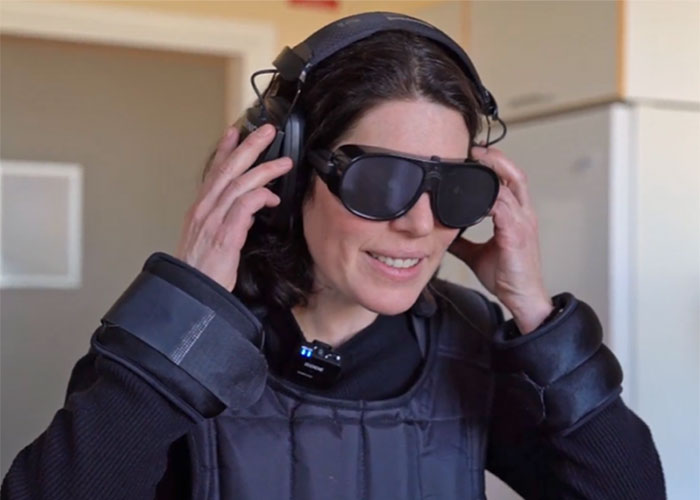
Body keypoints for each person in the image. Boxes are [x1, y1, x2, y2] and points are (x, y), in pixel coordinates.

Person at [1, 12, 665, 500]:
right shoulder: (181, 346)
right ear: (288, 174)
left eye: (453, 189)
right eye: (380, 181)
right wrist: (185, 315)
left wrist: (534, 313)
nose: (419, 224)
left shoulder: (471, 340)